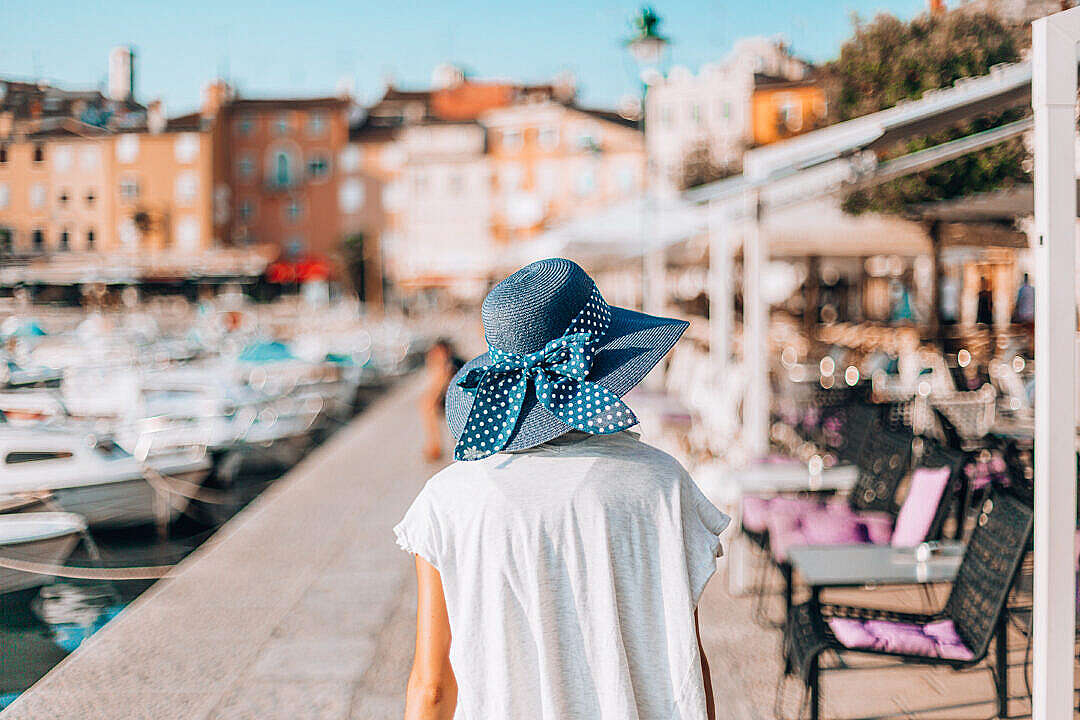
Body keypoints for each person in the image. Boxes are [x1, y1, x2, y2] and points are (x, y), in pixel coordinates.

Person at [395, 259, 728, 720]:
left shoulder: (446, 501)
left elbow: (432, 687)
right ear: (607, 360)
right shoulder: (664, 485)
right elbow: (689, 658)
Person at [419, 339, 463, 462]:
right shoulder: (445, 365)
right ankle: (434, 445)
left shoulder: (451, 366)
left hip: (459, 400)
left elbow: (439, 389)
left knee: (427, 405)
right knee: (427, 405)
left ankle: (435, 446)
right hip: (451, 399)